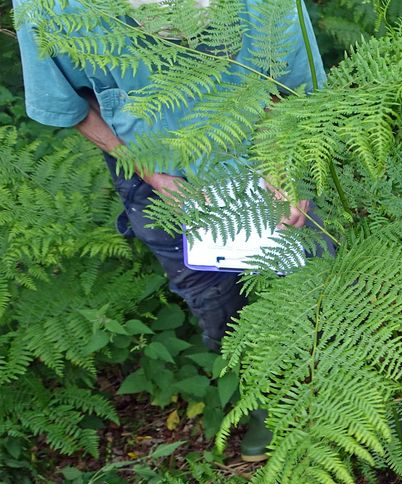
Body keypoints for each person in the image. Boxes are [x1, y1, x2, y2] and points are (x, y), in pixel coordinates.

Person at [14, 0, 326, 460]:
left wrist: (287, 164)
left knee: (316, 287)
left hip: (270, 151)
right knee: (218, 306)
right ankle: (267, 410)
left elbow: (293, 80)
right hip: (159, 178)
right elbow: (70, 103)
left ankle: (340, 407)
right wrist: (150, 175)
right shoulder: (49, 6)